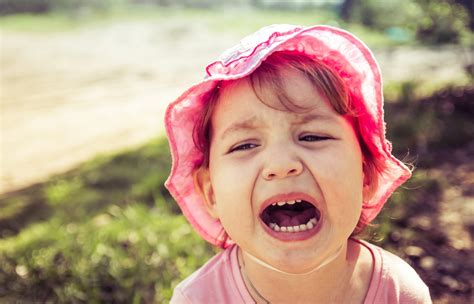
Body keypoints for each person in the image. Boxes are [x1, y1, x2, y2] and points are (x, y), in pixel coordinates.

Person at [164, 24, 432, 303]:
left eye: (313, 136)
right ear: (211, 193)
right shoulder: (198, 299)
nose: (281, 164)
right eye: (245, 145)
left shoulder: (399, 293)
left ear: (365, 175)